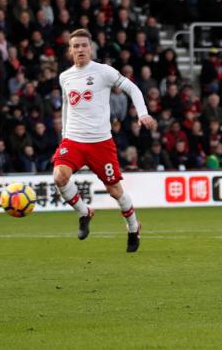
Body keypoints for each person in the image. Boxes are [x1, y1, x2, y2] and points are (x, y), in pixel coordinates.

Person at [51, 29, 157, 253]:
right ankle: (84, 212)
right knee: (59, 177)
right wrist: (64, 138)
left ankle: (133, 227)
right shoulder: (65, 77)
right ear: (70, 51)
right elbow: (66, 107)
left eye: (83, 45)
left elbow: (132, 88)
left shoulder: (103, 72)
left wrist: (143, 113)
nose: (80, 49)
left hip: (101, 143)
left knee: (115, 191)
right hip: (74, 141)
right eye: (76, 46)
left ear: (91, 48)